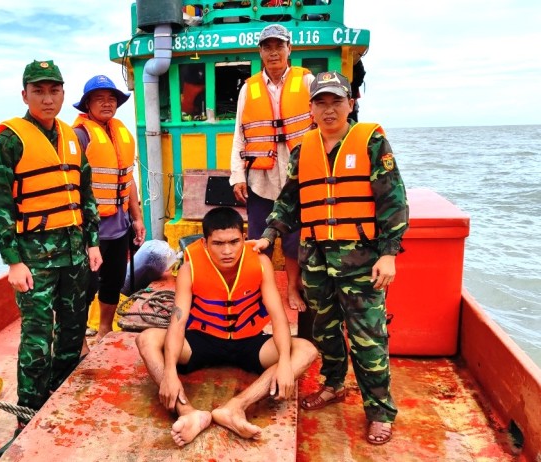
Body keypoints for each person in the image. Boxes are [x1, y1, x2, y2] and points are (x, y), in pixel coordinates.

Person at [254, 71, 409, 445]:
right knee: (324, 331)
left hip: (360, 260)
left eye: (336, 102)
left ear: (350, 105)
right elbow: (289, 200)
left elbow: (394, 201)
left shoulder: (371, 140)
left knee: (368, 338)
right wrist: (269, 235)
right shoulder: (303, 147)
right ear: (310, 109)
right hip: (316, 260)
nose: (328, 110)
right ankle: (333, 385)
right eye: (320, 103)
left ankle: (379, 412)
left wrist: (388, 255)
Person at [0, 59, 102, 457]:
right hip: (34, 258)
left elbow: (84, 195)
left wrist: (92, 242)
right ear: (25, 95)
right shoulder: (10, 140)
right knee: (37, 338)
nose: (47, 98)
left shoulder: (72, 137)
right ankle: (27, 418)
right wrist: (12, 261)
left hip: (73, 253)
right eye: (39, 91)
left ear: (63, 94)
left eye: (54, 90)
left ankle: (61, 397)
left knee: (73, 328)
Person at [136, 207, 317, 447]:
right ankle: (188, 412)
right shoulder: (189, 269)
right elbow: (177, 323)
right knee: (146, 339)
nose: (228, 250)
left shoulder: (261, 263)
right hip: (202, 340)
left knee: (306, 349)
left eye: (234, 241)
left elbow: (278, 317)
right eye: (218, 243)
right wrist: (169, 371)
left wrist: (284, 361)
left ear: (244, 239)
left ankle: (235, 407)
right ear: (205, 243)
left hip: (249, 341)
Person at [229, 23, 315, 314]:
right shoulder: (249, 89)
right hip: (260, 178)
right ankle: (258, 291)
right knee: (258, 238)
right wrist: (237, 175)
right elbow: (239, 134)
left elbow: (321, 126)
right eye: (268, 47)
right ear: (260, 53)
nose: (274, 52)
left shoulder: (306, 81)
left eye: (279, 46)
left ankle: (293, 287)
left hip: (298, 178)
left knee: (294, 240)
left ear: (289, 49)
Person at [72, 75, 146, 341]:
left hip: (119, 226)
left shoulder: (120, 132)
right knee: (85, 286)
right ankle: (78, 340)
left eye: (111, 98)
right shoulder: (79, 136)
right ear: (87, 104)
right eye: (99, 99)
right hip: (90, 230)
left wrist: (136, 217)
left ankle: (105, 330)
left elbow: (128, 180)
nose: (107, 104)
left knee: (113, 281)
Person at [350, 49, 366, 122]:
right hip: (352, 97)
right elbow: (361, 73)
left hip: (352, 98)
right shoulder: (355, 58)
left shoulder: (353, 58)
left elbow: (361, 73)